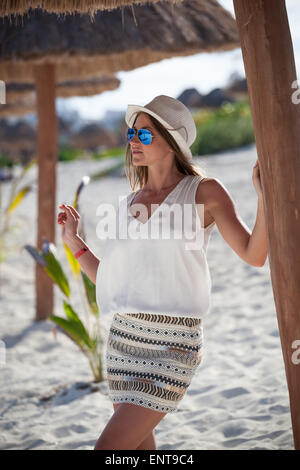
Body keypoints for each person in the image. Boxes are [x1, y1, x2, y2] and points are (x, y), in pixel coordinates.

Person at [57, 95, 268, 450]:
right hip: (123, 342)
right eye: (131, 134)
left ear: (172, 142)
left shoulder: (204, 192)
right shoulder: (129, 204)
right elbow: (110, 278)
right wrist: (74, 241)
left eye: (144, 135)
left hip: (174, 344)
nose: (133, 142)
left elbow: (254, 254)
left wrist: (264, 198)